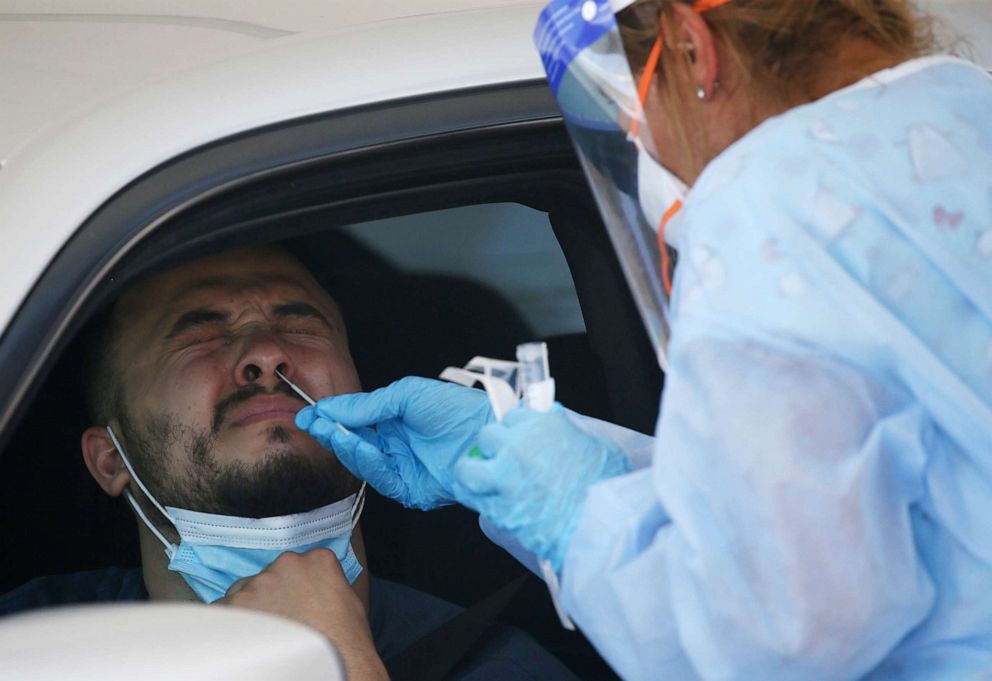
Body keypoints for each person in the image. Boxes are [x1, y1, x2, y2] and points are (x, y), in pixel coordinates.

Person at [294, 1, 992, 680]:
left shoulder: (766, 209)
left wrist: (576, 512)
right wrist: (520, 455)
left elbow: (779, 635)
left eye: (631, 105)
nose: (646, 145)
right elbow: (857, 494)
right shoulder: (965, 115)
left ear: (694, 47)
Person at [0, 245, 578, 681]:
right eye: (201, 335)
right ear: (109, 461)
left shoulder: (501, 668)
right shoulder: (32, 648)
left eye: (299, 325)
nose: (267, 354)